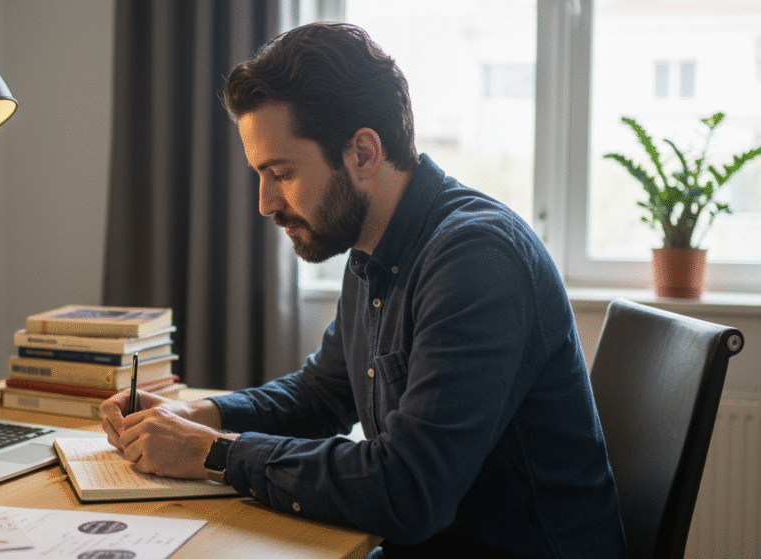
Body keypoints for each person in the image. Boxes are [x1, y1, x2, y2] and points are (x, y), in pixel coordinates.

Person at [100, 22, 626, 557]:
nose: (265, 203)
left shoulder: (476, 260)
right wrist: (201, 416)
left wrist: (216, 454)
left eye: (280, 172)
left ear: (364, 153)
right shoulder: (372, 251)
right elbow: (321, 395)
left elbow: (408, 489)